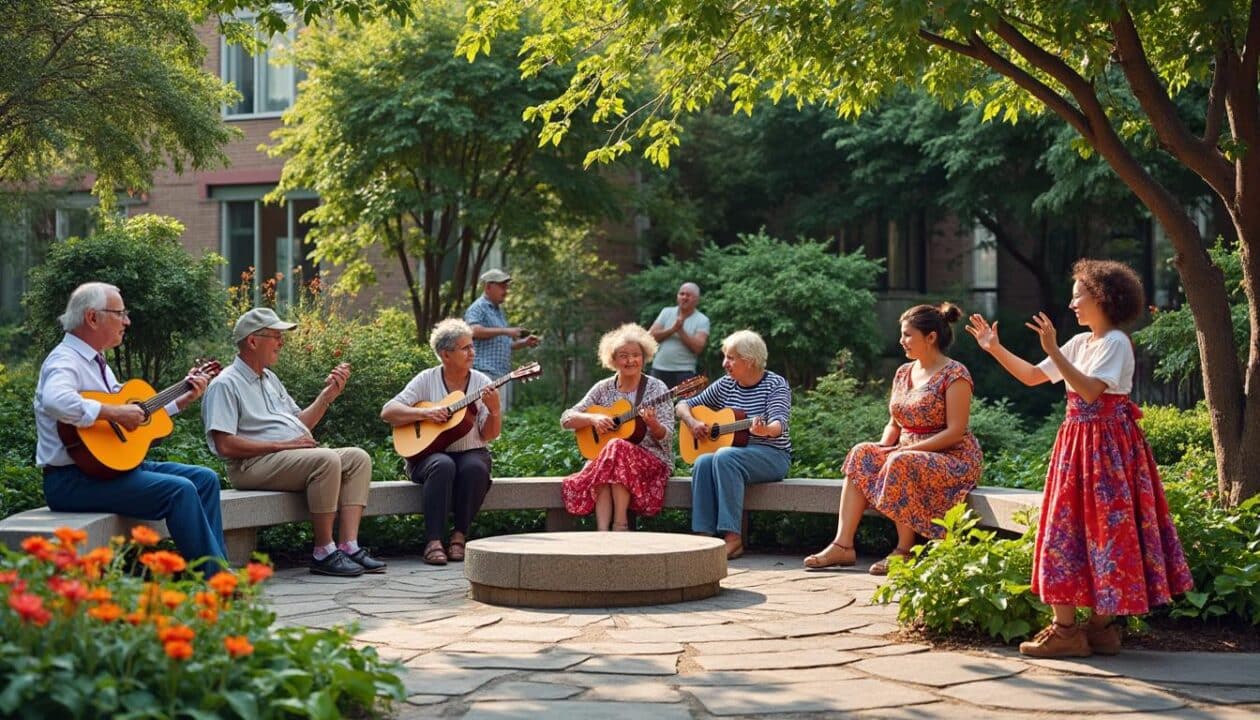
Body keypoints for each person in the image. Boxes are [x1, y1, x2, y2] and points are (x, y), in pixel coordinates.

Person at [966, 259, 1193, 658]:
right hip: (1077, 445)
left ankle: (1084, 629)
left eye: (1078, 296)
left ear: (1103, 298)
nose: (1072, 304)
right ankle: (1083, 629)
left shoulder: (1116, 343)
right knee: (1067, 530)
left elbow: (1089, 392)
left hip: (1106, 451)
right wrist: (995, 348)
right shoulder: (1079, 343)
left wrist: (1054, 348)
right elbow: (1034, 377)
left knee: (1106, 533)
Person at [34, 282, 228, 574]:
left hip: (106, 471)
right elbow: (55, 400)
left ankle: (219, 567)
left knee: (205, 479)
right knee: (180, 490)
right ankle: (217, 582)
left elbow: (134, 419)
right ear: (92, 317)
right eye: (120, 313)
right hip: (71, 480)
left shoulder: (98, 362)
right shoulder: (64, 361)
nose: (127, 321)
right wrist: (114, 412)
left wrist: (184, 399)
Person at [202, 307, 385, 577]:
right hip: (250, 466)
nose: (281, 342)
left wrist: (327, 396)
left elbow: (301, 424)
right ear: (253, 341)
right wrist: (281, 446)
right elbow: (225, 445)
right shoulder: (225, 384)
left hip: (284, 459)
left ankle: (348, 546)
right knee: (326, 459)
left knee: (357, 458)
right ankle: (323, 551)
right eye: (275, 336)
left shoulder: (269, 378)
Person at [804, 303, 981, 575]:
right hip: (908, 450)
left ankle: (905, 550)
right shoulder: (902, 373)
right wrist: (883, 450)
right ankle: (843, 545)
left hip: (952, 456)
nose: (901, 341)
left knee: (902, 461)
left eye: (908, 335)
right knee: (861, 453)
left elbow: (955, 431)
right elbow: (893, 424)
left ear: (931, 337)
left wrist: (902, 453)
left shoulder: (955, 374)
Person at [381, 319, 500, 565]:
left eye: (472, 346)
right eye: (464, 348)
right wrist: (424, 414)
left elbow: (489, 435)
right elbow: (388, 412)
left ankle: (459, 537)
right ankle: (433, 541)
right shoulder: (426, 379)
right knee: (443, 464)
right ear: (445, 354)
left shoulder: (482, 383)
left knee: (475, 468)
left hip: (470, 452)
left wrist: (495, 410)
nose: (472, 352)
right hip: (426, 455)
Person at [677, 330, 790, 559]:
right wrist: (692, 422)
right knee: (703, 461)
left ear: (749, 361)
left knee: (724, 456)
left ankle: (732, 538)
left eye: (731, 358)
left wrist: (765, 430)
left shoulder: (775, 384)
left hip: (772, 455)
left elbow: (780, 423)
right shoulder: (727, 384)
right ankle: (703, 536)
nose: (725, 363)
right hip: (736, 455)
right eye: (725, 356)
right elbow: (683, 405)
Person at [561, 324, 675, 531]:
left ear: (645, 357)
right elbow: (567, 418)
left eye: (636, 355)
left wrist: (653, 424)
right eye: (623, 355)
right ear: (613, 360)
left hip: (652, 460)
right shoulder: (603, 388)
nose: (630, 360)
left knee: (615, 448)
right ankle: (603, 531)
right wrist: (593, 419)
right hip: (612, 457)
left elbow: (667, 437)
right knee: (611, 453)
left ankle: (619, 523)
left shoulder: (657, 389)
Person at [464, 268, 539, 412]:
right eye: (501, 286)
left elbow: (502, 345)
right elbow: (473, 330)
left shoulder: (498, 311)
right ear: (488, 287)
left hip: (500, 375)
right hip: (483, 372)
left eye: (506, 287)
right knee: (482, 416)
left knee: (496, 419)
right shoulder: (478, 307)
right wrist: (506, 330)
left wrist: (524, 342)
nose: (505, 291)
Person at [649, 282, 710, 388]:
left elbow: (698, 348)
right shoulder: (666, 312)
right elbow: (650, 337)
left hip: (685, 372)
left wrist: (681, 331)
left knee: (682, 404)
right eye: (682, 294)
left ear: (696, 299)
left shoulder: (702, 320)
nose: (684, 297)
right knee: (655, 404)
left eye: (688, 295)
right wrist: (672, 330)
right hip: (659, 368)